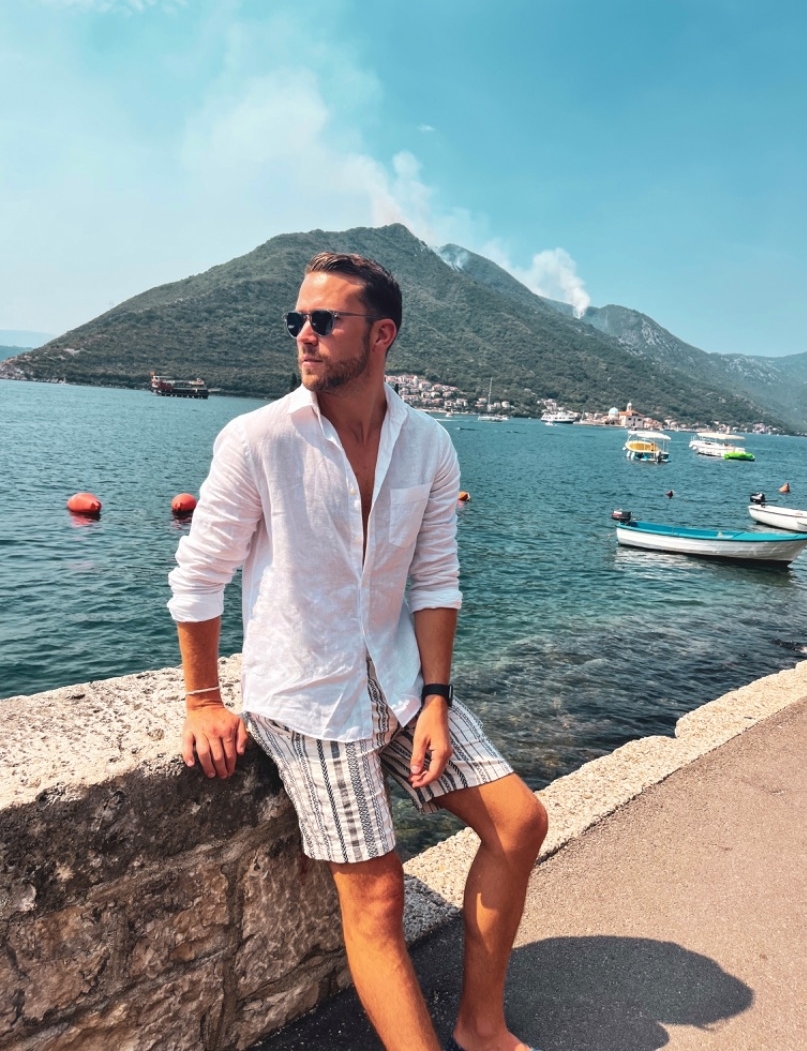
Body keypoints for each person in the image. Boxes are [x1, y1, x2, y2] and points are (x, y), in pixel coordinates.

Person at [168, 252, 548, 1051]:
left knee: (520, 823)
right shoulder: (258, 439)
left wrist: (437, 699)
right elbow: (199, 577)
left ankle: (481, 1027)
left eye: (323, 320)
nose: (302, 335)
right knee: (378, 894)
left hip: (402, 684)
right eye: (296, 320)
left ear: (381, 335)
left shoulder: (429, 445)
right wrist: (203, 700)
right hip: (307, 699)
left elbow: (435, 581)